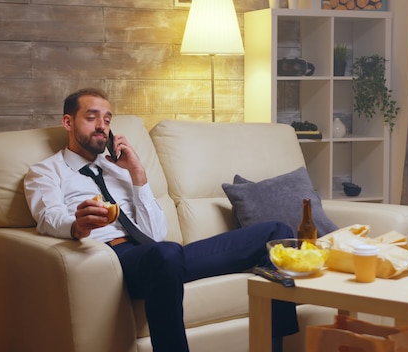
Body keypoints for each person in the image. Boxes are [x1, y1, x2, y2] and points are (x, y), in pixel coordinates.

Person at [23, 88, 298, 352]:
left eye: (107, 120)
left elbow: (155, 234)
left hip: (160, 258)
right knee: (165, 253)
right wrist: (77, 225)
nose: (101, 126)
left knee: (277, 233)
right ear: (68, 122)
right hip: (111, 260)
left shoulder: (119, 170)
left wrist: (138, 175)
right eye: (92, 117)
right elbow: (48, 217)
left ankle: (274, 346)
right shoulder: (46, 171)